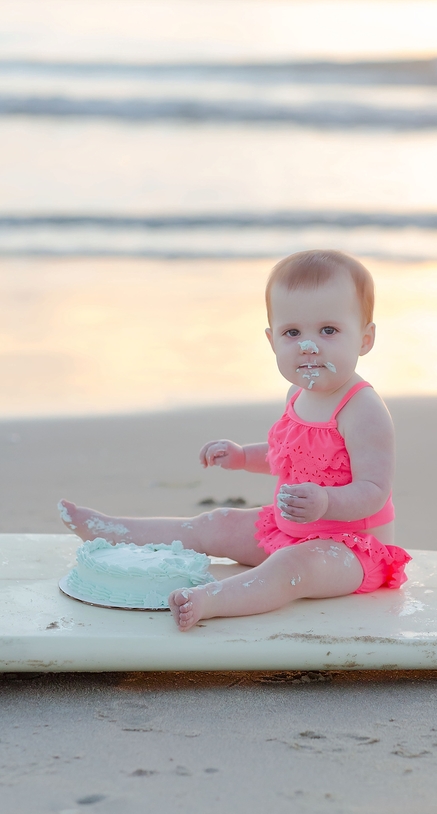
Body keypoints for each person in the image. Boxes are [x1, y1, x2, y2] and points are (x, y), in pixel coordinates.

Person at [59, 250, 411, 630]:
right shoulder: (299, 394)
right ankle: (115, 532)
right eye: (292, 333)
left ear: (365, 338)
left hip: (351, 551)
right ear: (272, 340)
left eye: (328, 330)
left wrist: (325, 501)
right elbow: (287, 457)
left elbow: (374, 490)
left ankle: (212, 600)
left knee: (291, 569)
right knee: (217, 522)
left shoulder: (363, 409)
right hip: (288, 529)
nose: (309, 346)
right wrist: (243, 456)